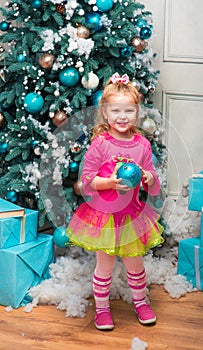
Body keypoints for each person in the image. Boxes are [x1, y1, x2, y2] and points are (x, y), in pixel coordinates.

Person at [66, 72, 164, 330]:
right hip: (104, 215)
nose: (123, 117)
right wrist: (109, 182)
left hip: (132, 214)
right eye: (116, 110)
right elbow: (87, 181)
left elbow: (151, 178)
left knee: (135, 262)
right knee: (104, 265)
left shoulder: (142, 144)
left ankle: (141, 302)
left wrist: (147, 178)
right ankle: (102, 309)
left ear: (137, 113)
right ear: (106, 113)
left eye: (129, 111)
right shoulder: (100, 144)